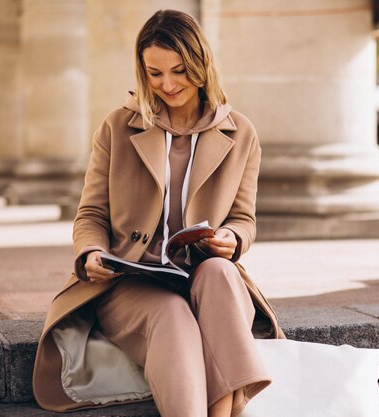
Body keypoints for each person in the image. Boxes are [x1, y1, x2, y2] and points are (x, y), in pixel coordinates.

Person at [32, 10, 283, 417]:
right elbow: (91, 213)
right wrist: (91, 253)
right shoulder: (118, 127)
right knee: (172, 314)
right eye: (154, 73)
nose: (167, 85)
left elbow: (244, 219)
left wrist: (233, 239)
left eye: (180, 70)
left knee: (220, 274)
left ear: (201, 63)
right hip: (130, 283)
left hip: (204, 276)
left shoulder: (242, 133)